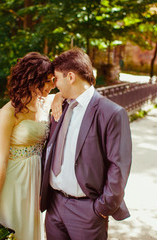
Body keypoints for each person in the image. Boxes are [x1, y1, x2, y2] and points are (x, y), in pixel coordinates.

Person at [40, 48, 132, 240]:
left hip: (87, 211)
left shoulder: (112, 113)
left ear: (71, 77)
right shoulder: (61, 105)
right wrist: (58, 96)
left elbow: (119, 166)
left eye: (56, 79)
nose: (55, 85)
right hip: (54, 206)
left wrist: (101, 208)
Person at [0, 52, 57, 240]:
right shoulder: (9, 112)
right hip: (12, 182)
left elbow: (66, 92)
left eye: (52, 81)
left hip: (34, 182)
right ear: (31, 80)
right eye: (46, 82)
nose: (51, 86)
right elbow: (2, 161)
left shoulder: (44, 104)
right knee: (12, 231)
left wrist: (59, 96)